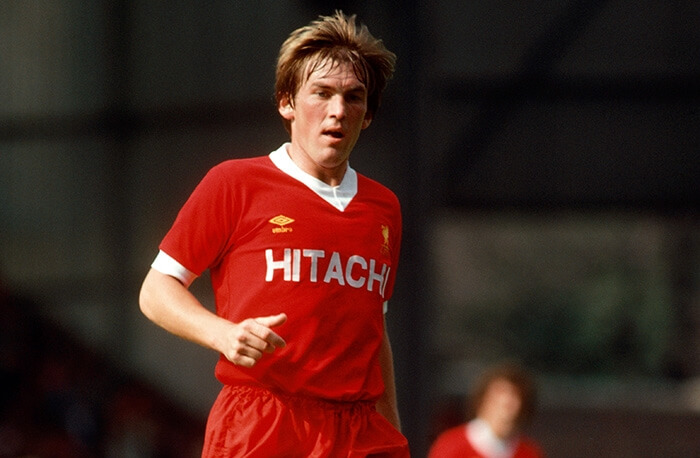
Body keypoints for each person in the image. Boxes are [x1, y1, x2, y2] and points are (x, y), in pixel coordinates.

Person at [138, 10, 409, 457]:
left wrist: (393, 434)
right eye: (321, 93)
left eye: (354, 97)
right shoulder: (235, 183)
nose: (337, 110)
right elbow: (155, 290)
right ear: (287, 102)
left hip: (359, 433)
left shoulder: (384, 209)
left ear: (368, 115)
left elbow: (373, 332)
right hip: (263, 423)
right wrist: (221, 333)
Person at [428, 363, 544, 458]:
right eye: (500, 401)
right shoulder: (451, 446)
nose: (507, 411)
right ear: (483, 401)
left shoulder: (529, 452)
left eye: (515, 401)